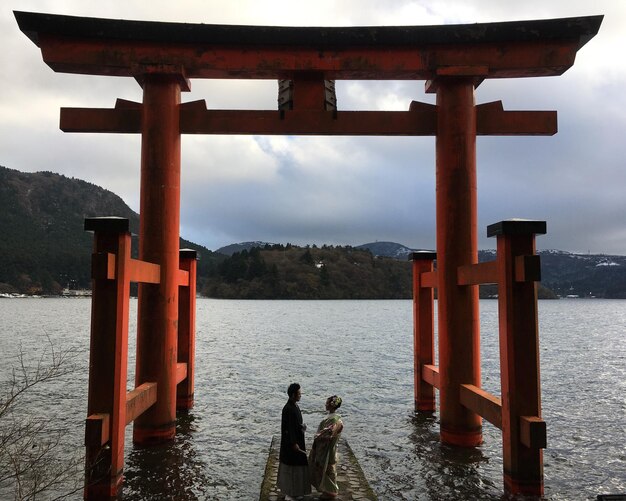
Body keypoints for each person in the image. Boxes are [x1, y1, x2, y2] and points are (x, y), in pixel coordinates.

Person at [277, 383, 311, 501]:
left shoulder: (295, 406)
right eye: (299, 393)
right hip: (291, 444)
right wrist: (293, 443)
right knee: (290, 469)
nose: (300, 395)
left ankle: (295, 492)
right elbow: (288, 429)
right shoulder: (288, 409)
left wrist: (302, 427)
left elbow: (295, 425)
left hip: (297, 439)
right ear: (293, 395)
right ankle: (289, 493)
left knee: (297, 468)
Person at [309, 395, 344, 499]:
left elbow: (325, 435)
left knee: (325, 469)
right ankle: (330, 490)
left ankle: (330, 491)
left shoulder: (331, 420)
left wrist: (317, 439)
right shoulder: (337, 419)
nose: (325, 404)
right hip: (331, 447)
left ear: (331, 405)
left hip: (326, 448)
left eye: (327, 403)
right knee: (330, 470)